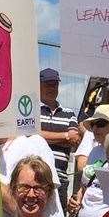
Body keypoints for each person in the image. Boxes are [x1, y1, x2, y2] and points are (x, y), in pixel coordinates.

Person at [38, 67, 81, 199]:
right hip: (36, 177)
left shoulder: (69, 113)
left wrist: (43, 136)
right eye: (47, 84)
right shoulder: (31, 110)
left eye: (54, 84)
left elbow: (74, 139)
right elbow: (31, 135)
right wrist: (65, 136)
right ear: (38, 85)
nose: (51, 88)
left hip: (60, 178)